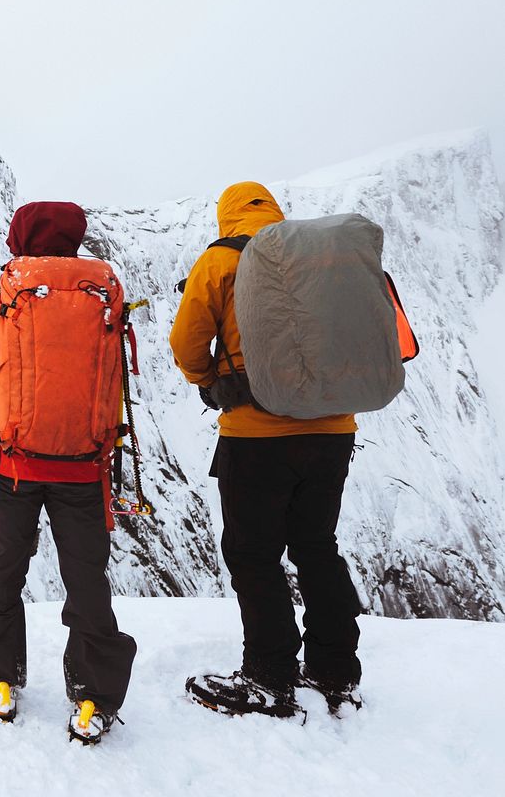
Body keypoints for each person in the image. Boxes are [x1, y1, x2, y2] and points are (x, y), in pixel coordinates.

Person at [169, 182, 362, 718]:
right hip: (333, 431)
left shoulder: (223, 259)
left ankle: (269, 676)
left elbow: (187, 342)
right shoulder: (324, 259)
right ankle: (335, 670)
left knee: (254, 555)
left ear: (226, 216)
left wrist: (211, 381)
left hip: (256, 435)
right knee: (317, 546)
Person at [0, 201, 136, 743]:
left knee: (1, 570)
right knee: (86, 581)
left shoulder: (6, 294)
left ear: (20, 238)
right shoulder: (100, 293)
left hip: (14, 465)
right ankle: (93, 697)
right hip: (83, 470)